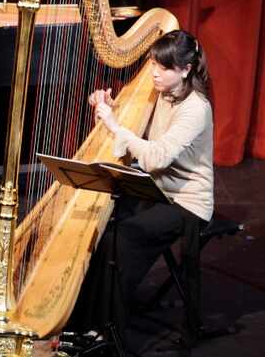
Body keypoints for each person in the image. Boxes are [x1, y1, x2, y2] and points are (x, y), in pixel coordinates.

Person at [64, 29, 213, 354]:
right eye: (153, 65)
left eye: (164, 67)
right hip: (156, 189)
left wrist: (114, 125)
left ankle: (107, 331)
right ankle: (81, 323)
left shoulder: (195, 108)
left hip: (187, 203)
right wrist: (109, 104)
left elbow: (156, 155)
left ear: (186, 69)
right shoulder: (161, 91)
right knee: (101, 229)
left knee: (125, 237)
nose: (155, 73)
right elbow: (143, 128)